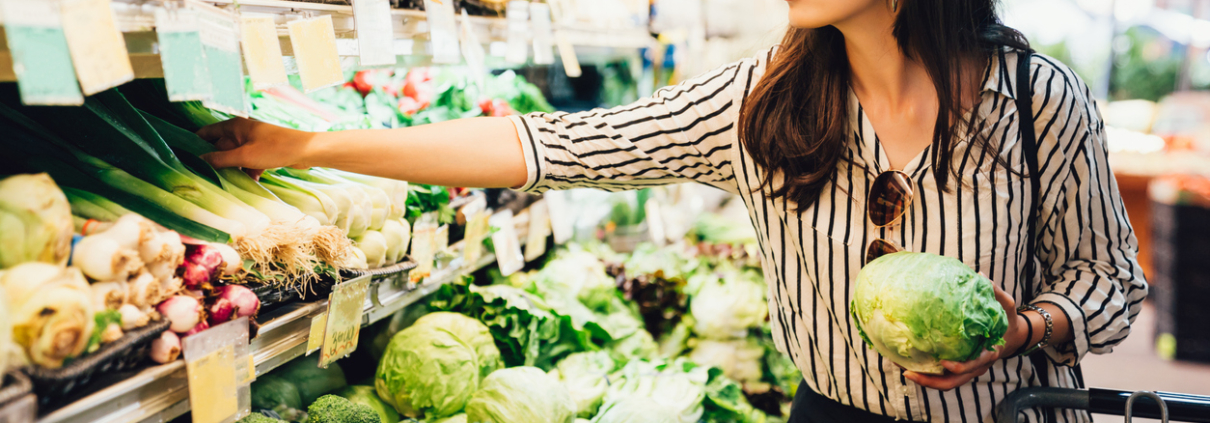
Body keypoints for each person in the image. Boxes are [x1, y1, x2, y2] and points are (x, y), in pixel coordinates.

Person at [198, 0, 1148, 421]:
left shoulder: (1035, 100)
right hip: (834, 416)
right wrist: (305, 148)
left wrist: (1023, 324)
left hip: (1014, 413)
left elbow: (1110, 279)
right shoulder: (762, 106)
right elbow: (548, 147)